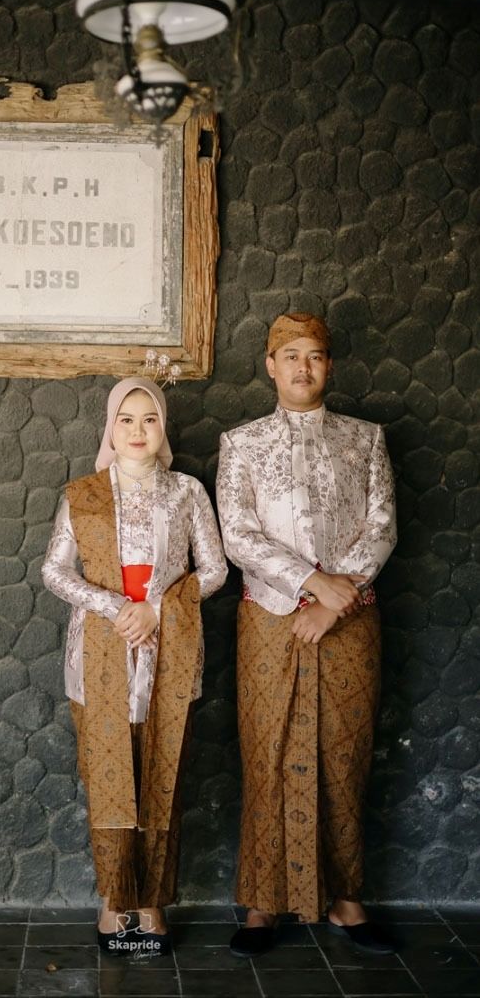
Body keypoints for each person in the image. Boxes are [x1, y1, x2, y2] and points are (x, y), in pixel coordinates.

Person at [216, 312, 397, 957]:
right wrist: (310, 584)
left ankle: (346, 900)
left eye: (314, 355)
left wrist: (334, 603)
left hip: (350, 620)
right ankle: (262, 904)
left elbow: (382, 527)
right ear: (270, 365)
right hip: (271, 619)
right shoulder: (242, 443)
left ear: (329, 365)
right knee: (267, 752)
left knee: (345, 755)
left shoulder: (365, 439)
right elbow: (237, 534)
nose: (302, 366)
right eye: (289, 355)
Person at [42, 377, 227, 955]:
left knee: (161, 774)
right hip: (98, 653)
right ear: (110, 427)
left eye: (150, 419)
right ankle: (114, 899)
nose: (138, 430)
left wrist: (156, 609)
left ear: (163, 426)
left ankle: (152, 901)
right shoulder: (83, 494)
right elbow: (54, 571)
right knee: (107, 776)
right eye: (126, 419)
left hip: (168, 652)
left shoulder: (187, 492)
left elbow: (215, 569)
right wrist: (115, 607)